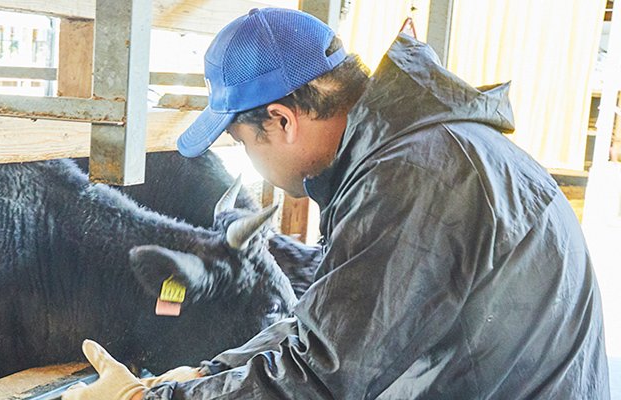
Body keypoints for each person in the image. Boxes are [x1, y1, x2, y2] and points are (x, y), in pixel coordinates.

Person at [64, 8, 609, 399]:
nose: (250, 160)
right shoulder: (414, 152)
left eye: (241, 141)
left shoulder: (413, 179)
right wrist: (206, 373)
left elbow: (323, 378)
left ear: (281, 120)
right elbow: (331, 324)